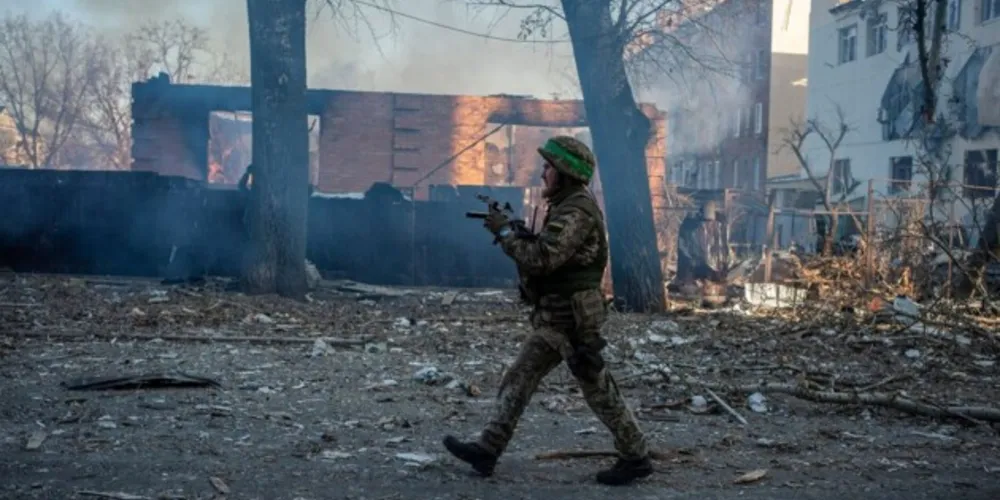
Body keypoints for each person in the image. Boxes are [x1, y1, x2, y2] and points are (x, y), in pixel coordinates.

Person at [442, 136, 653, 486]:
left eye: (548, 167)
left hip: (571, 320)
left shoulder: (576, 211)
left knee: (595, 386)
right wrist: (520, 234)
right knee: (521, 378)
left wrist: (507, 233)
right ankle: (488, 450)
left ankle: (636, 456)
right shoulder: (566, 205)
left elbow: (543, 259)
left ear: (565, 172)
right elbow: (549, 252)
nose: (543, 173)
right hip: (557, 316)